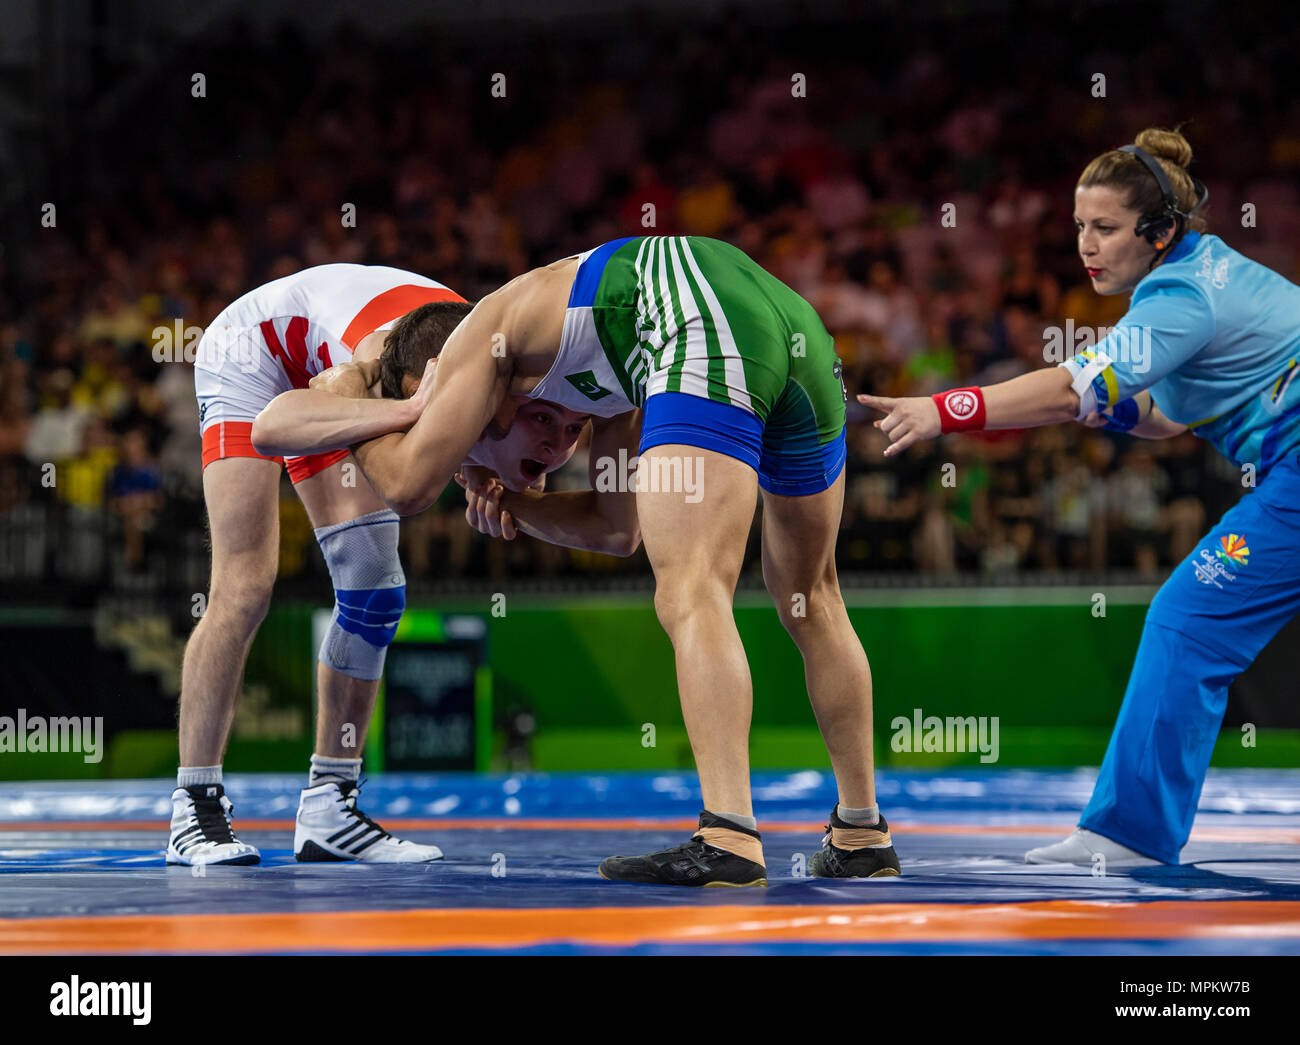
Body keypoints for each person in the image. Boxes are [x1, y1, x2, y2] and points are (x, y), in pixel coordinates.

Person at [282, 236, 901, 886]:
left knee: (691, 589)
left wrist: (375, 419)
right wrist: (514, 507)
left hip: (701, 312)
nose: (453, 440)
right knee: (811, 595)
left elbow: (407, 486)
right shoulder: (608, 376)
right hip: (790, 326)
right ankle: (861, 830)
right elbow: (616, 528)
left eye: (453, 431)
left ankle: (729, 834)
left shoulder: (479, 336)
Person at [861, 128, 1300, 867]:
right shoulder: (1209, 270)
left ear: (1158, 233)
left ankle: (1126, 834)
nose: (1085, 246)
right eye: (1078, 226)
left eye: (1104, 228)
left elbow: (1068, 391)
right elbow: (1164, 414)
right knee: (1191, 618)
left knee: (1189, 619)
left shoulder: (1180, 294)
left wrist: (941, 410)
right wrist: (1117, 407)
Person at [172, 263, 472, 866]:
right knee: (244, 585)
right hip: (250, 356)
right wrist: (408, 413)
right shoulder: (355, 373)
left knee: (374, 589)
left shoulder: (488, 352)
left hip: (344, 349)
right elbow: (272, 428)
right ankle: (193, 809)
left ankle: (331, 807)